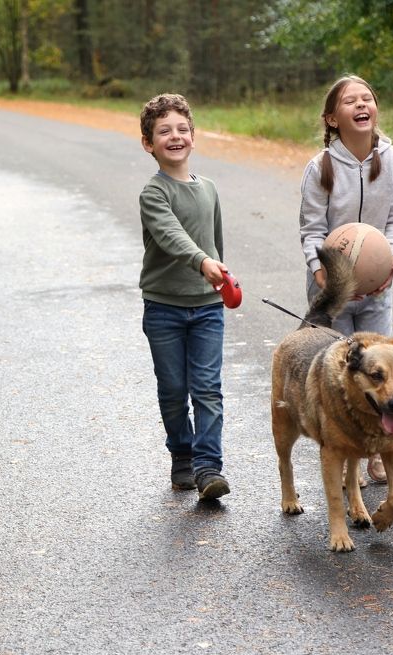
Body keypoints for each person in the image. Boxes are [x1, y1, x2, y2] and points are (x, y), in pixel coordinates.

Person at [298, 75, 393, 487]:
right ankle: (347, 458)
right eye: (350, 101)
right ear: (332, 118)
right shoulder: (320, 167)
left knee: (380, 372)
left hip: (378, 287)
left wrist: (391, 260)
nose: (361, 104)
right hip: (332, 290)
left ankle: (377, 451)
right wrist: (321, 274)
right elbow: (312, 229)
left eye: (367, 98)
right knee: (339, 375)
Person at [138, 92, 231, 500]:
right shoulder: (154, 193)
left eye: (181, 129)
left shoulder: (209, 188)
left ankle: (209, 468)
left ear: (193, 135)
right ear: (149, 144)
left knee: (207, 388)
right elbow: (171, 235)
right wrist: (202, 262)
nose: (175, 136)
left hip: (208, 307)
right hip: (164, 308)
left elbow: (215, 242)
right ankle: (182, 454)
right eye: (164, 131)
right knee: (174, 390)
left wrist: (220, 275)